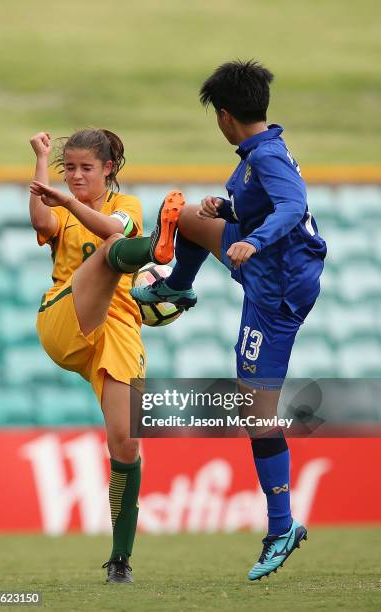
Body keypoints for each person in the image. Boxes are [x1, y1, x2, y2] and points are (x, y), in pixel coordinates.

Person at [113, 60, 327, 580]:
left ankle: (282, 528)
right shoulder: (261, 150)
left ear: (224, 116)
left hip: (274, 294)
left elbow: (292, 206)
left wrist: (251, 240)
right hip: (266, 267)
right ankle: (178, 289)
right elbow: (264, 204)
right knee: (188, 216)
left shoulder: (269, 156)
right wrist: (229, 211)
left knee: (257, 415)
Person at [29, 128, 184, 583]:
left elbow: (112, 226)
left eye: (86, 168)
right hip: (65, 318)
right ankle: (157, 248)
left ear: (108, 169)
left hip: (117, 330)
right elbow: (42, 223)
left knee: (126, 441)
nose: (76, 176)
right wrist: (40, 160)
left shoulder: (126, 205)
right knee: (113, 254)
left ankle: (120, 561)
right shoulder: (60, 208)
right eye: (69, 168)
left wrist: (68, 203)